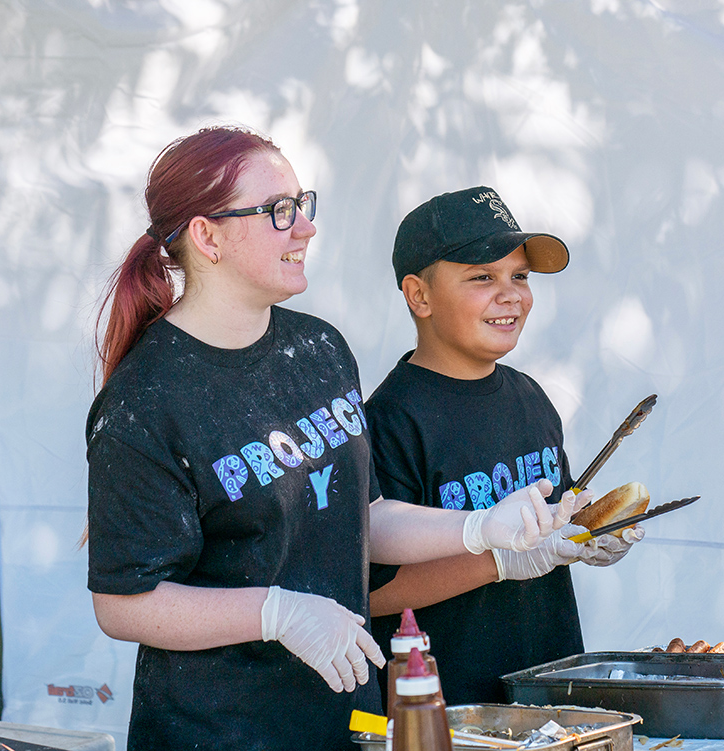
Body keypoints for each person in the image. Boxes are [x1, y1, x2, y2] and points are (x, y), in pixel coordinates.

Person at [85, 127, 572, 751]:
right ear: (207, 237)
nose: (306, 229)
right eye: (278, 212)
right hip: (220, 731)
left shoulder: (318, 349)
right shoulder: (144, 402)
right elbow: (124, 603)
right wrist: (274, 613)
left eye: (302, 204)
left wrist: (481, 531)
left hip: (348, 720)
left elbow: (363, 515)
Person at [366, 186, 646, 706]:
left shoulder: (530, 396)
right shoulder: (388, 420)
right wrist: (497, 561)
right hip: (451, 711)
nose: (512, 294)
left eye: (519, 276)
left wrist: (585, 536)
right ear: (419, 295)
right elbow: (373, 592)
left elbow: (552, 522)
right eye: (482, 278)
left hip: (553, 687)